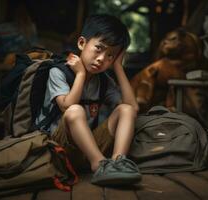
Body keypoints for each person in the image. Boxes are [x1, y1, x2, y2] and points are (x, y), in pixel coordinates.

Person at [36, 14, 141, 186]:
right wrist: (81, 74)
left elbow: (133, 108)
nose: (102, 59)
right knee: (75, 110)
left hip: (86, 149)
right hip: (58, 150)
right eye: (99, 49)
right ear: (82, 43)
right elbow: (67, 107)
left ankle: (117, 164)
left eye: (110, 56)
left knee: (125, 109)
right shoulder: (58, 72)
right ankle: (99, 165)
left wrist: (119, 68)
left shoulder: (104, 81)